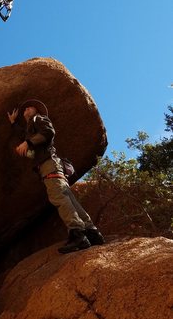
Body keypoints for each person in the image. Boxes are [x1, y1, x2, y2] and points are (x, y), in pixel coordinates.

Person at [8, 99, 105, 253]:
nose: (27, 109)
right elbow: (25, 135)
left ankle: (78, 234)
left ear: (37, 111)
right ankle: (92, 233)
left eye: (30, 108)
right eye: (25, 109)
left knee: (58, 196)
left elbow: (48, 132)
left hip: (49, 164)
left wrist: (29, 143)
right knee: (68, 197)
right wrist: (14, 123)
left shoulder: (38, 119)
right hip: (53, 164)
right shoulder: (30, 127)